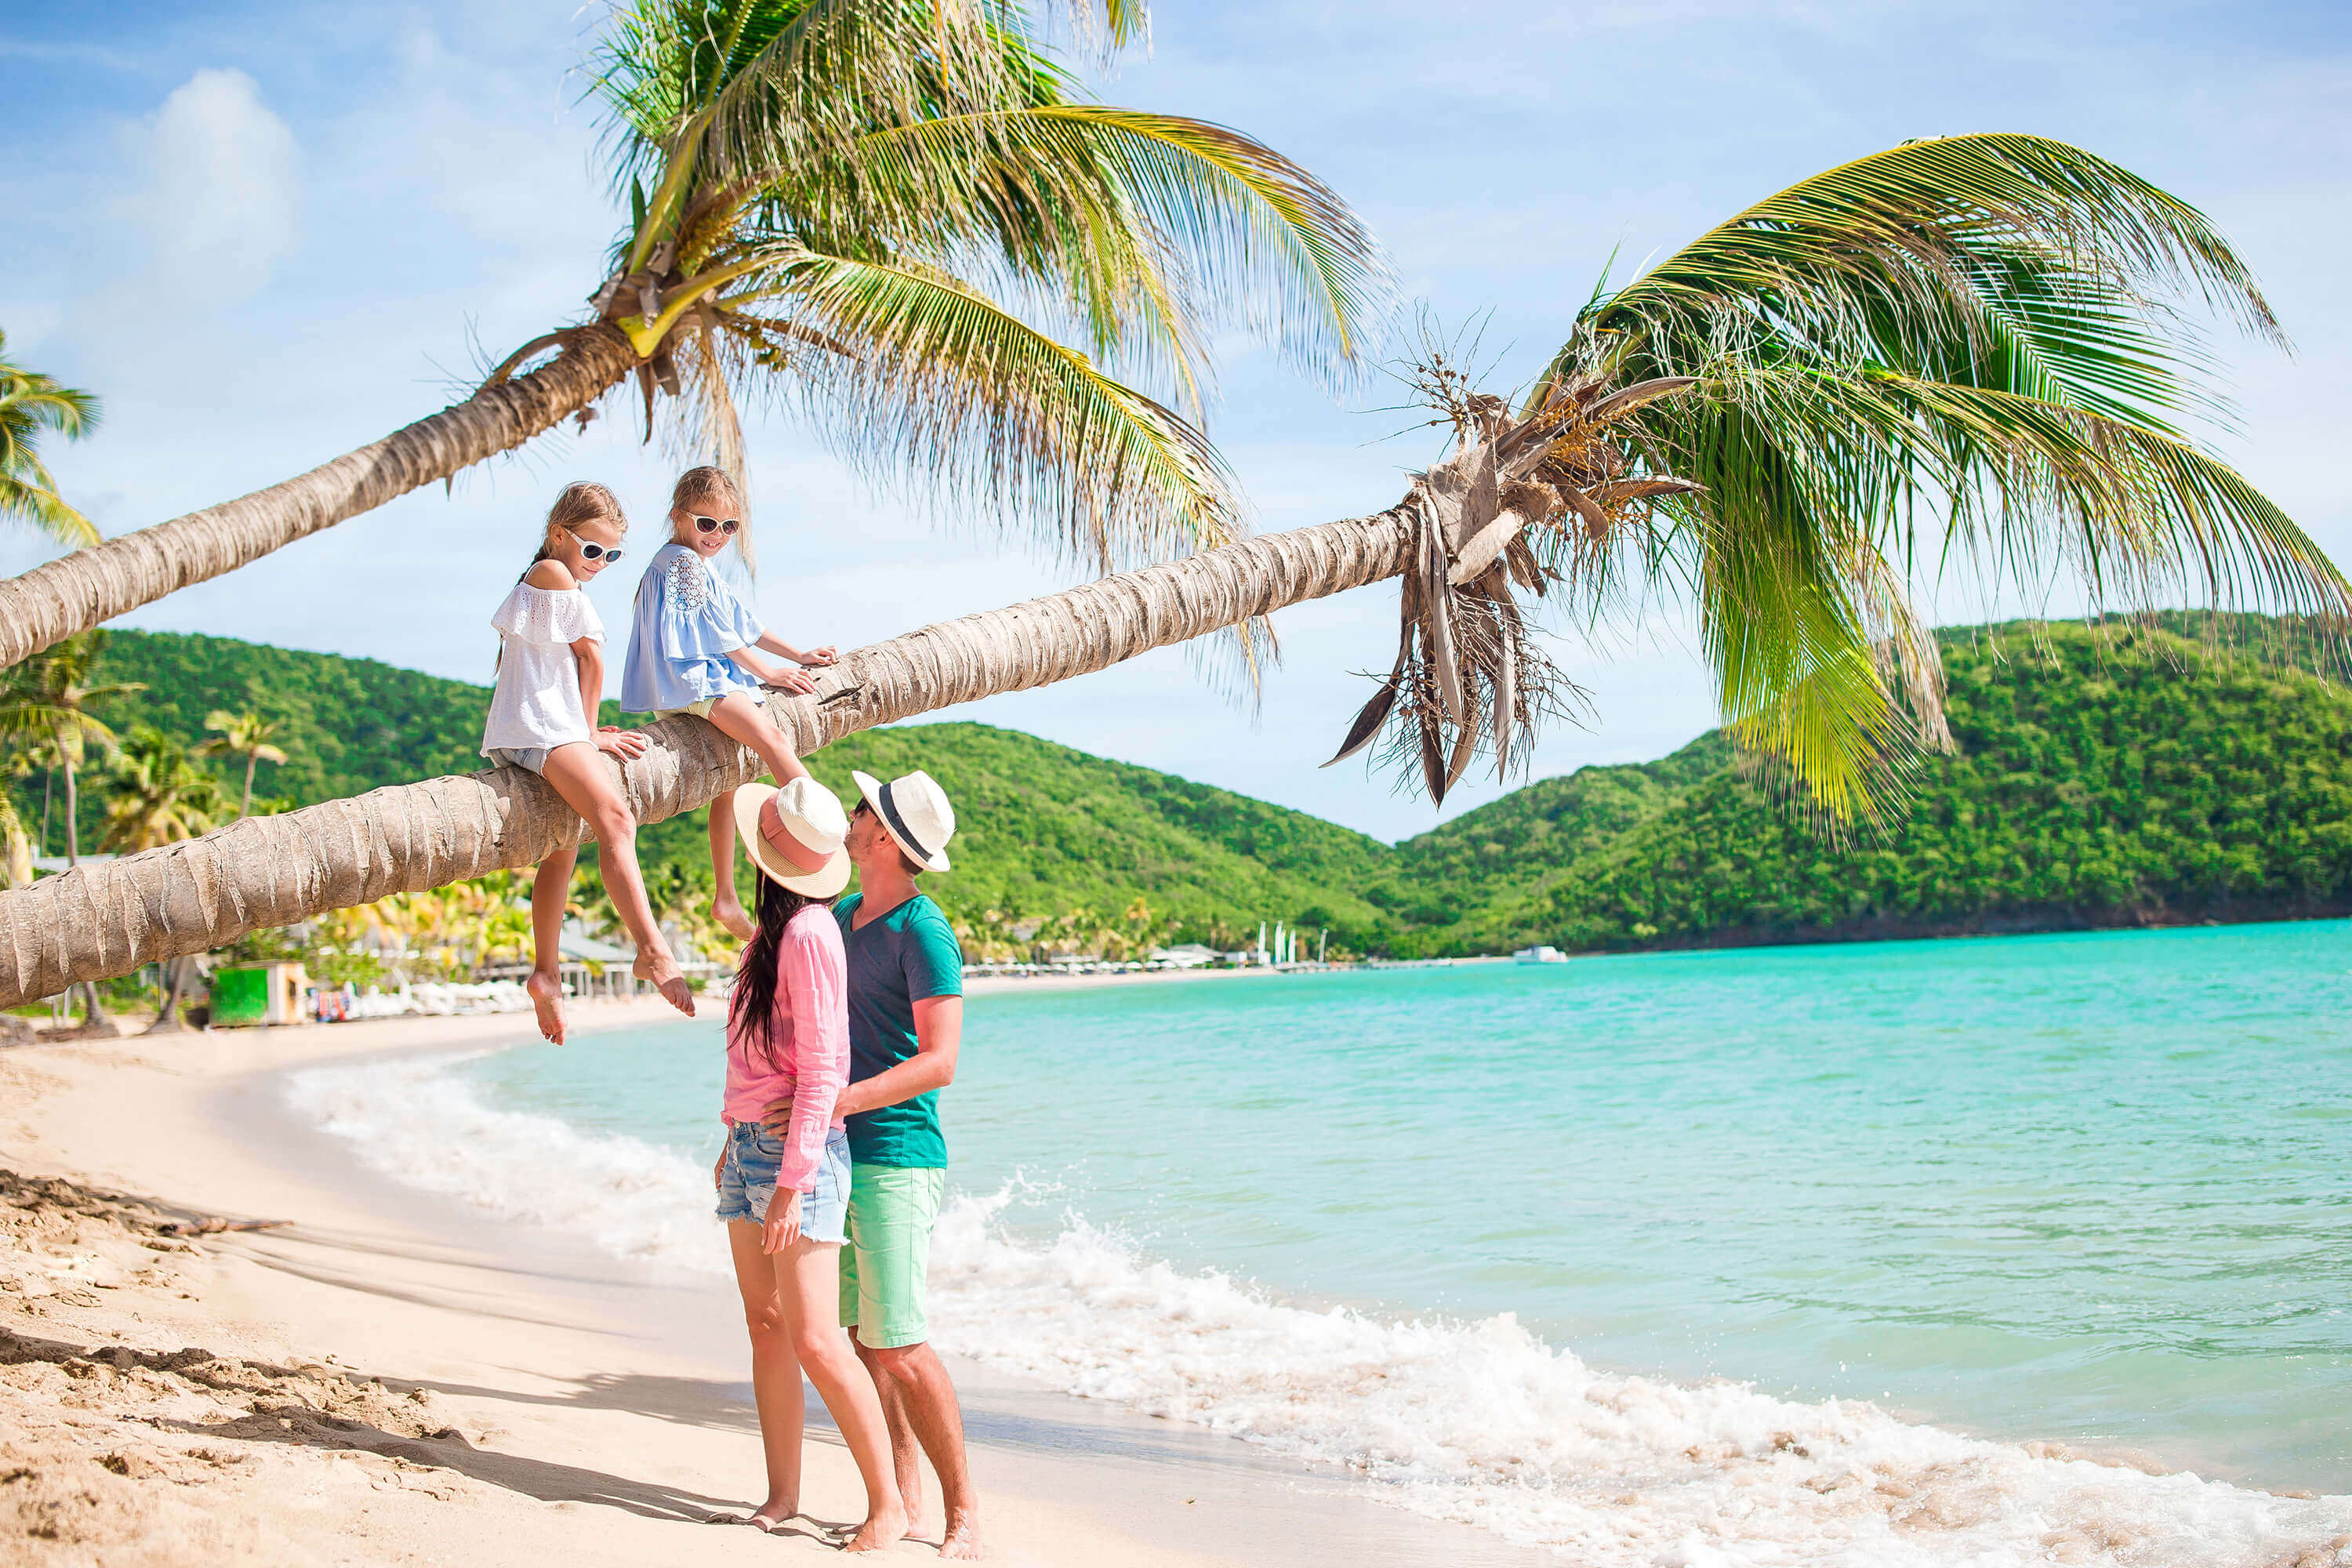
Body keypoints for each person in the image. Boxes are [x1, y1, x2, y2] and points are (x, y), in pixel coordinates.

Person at [713, 776, 907, 1552]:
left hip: (799, 1160)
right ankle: (783, 1493)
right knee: (766, 1327)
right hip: (749, 1148)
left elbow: (827, 1064)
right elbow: (760, 1055)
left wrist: (792, 1179)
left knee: (818, 1339)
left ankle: (887, 1502)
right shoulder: (771, 935)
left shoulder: (810, 935)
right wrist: (732, 1135)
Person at [824, 768, 980, 1559]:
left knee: (901, 1342)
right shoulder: (844, 914)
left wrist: (847, 1099)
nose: (848, 819)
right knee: (861, 1334)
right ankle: (903, 1496)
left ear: (882, 836)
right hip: (837, 1150)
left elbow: (942, 1060)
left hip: (897, 1152)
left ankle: (964, 1516)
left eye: (859, 811)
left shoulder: (925, 929)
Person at [480, 481, 694, 1044]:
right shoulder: (554, 575)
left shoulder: (547, 579)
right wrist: (589, 732)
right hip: (547, 729)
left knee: (561, 851)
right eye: (593, 549)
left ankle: (546, 973)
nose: (601, 563)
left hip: (528, 730)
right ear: (559, 536)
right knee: (617, 820)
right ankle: (650, 947)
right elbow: (592, 660)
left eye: (612, 554)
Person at [619, 466, 837, 945]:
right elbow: (723, 638)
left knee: (730, 780)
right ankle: (824, 848)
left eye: (728, 527)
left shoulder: (691, 562)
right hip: (695, 681)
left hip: (682, 686)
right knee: (774, 742)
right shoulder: (681, 563)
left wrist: (797, 654)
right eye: (706, 523)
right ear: (678, 517)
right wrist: (771, 672)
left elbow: (742, 623)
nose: (717, 535)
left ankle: (726, 895)